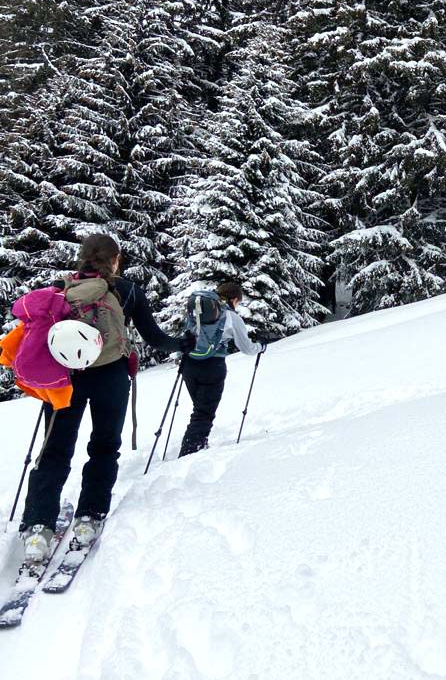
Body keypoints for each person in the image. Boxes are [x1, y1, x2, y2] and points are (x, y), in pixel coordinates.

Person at [19, 234, 189, 560]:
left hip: (65, 379)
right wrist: (183, 343)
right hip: (111, 378)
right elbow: (155, 337)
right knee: (104, 446)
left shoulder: (61, 290)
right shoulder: (128, 292)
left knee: (53, 450)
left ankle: (38, 528)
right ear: (115, 260)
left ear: (81, 258)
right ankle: (89, 517)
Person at [178, 282, 263, 458]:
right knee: (203, 412)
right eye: (238, 302)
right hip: (213, 366)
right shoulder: (232, 317)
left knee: (200, 409)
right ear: (234, 299)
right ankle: (189, 453)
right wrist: (260, 347)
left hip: (189, 364)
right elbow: (246, 348)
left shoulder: (198, 312)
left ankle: (196, 445)